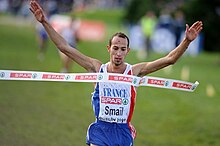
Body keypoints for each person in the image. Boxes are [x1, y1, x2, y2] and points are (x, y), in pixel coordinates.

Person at [29, 1, 203, 146]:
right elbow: (64, 47)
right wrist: (44, 22)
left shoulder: (134, 71)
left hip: (123, 132)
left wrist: (186, 41)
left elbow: (169, 60)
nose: (118, 53)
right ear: (109, 49)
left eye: (122, 49)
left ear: (128, 51)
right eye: (115, 48)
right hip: (101, 131)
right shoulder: (97, 68)